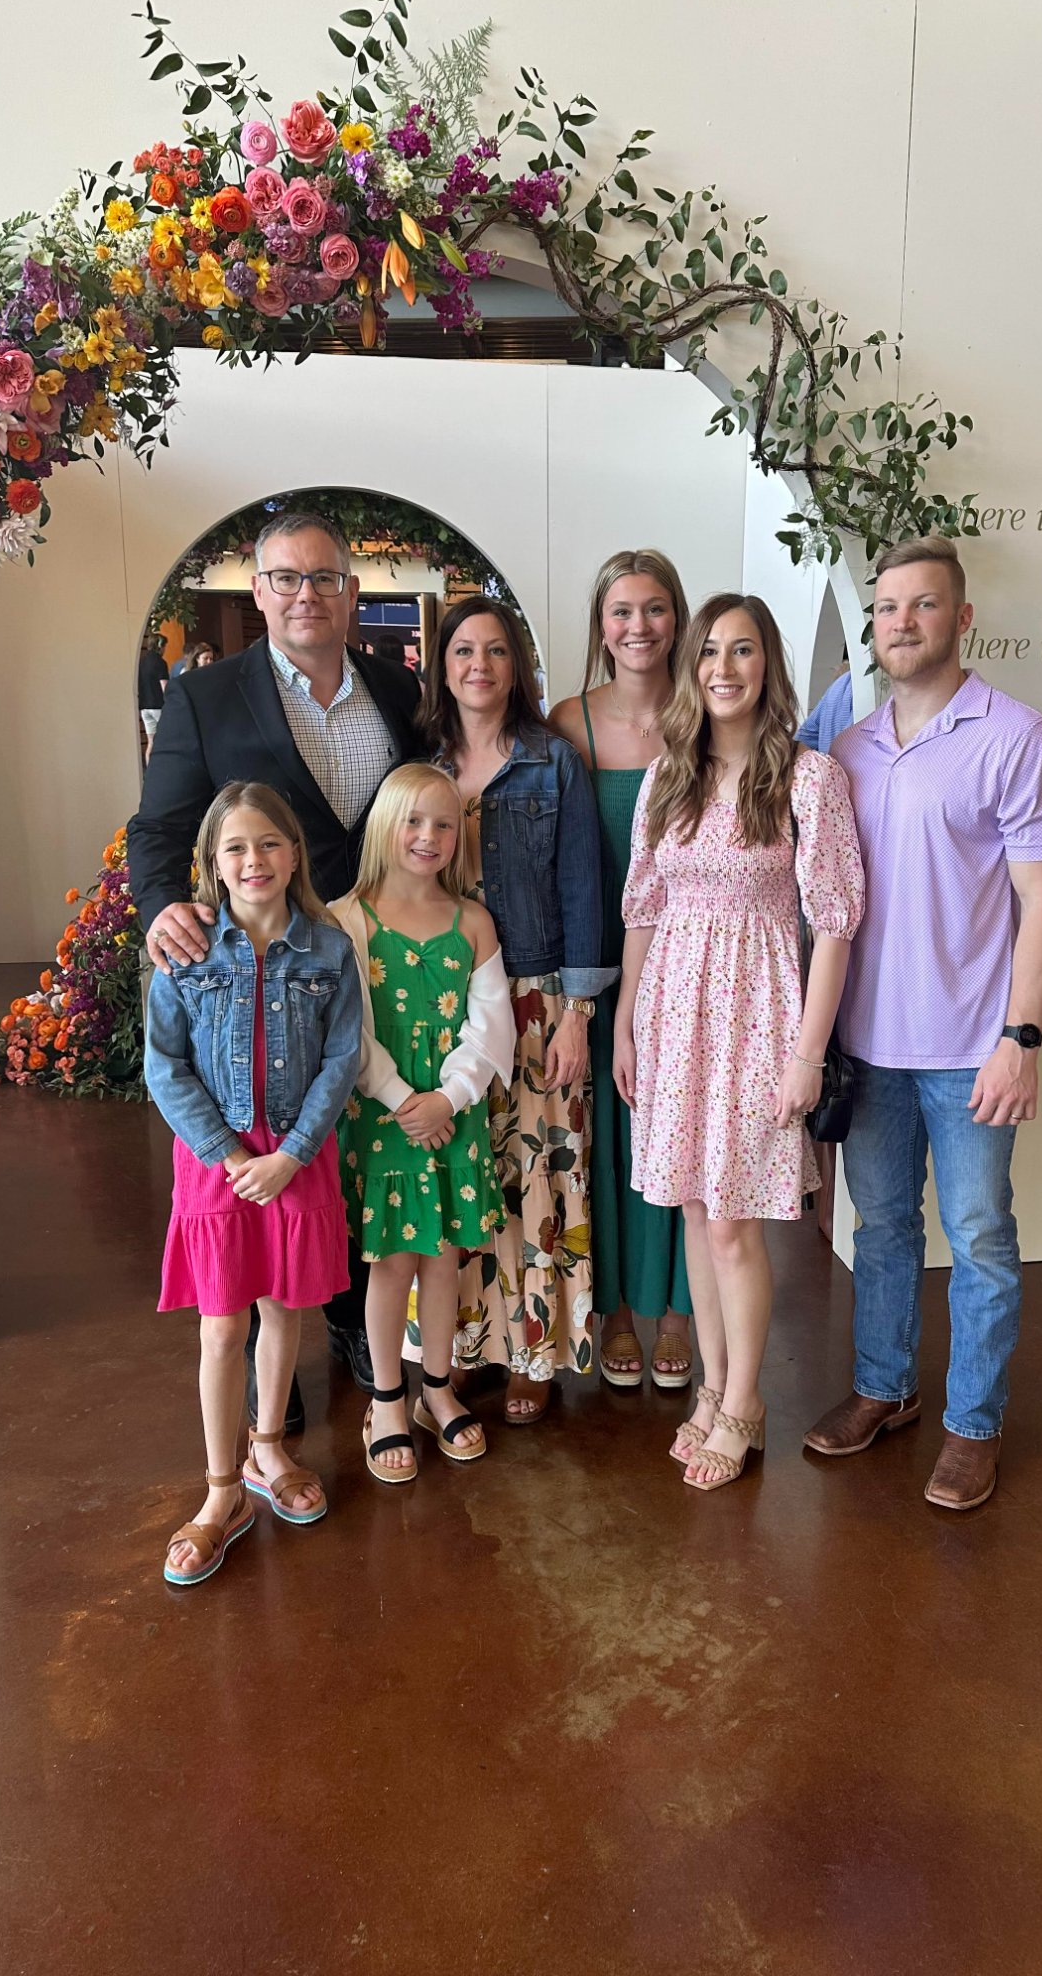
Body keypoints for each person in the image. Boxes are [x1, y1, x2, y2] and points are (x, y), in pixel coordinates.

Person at [129, 511, 426, 1417]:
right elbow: (160, 828)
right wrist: (160, 911)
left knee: (352, 1147)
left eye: (325, 578)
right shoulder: (207, 698)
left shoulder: (395, 690)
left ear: (352, 592)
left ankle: (338, 1312)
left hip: (366, 954)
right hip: (260, 955)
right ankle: (266, 1360)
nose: (308, 594)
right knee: (265, 1136)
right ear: (258, 593)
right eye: (287, 579)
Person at [803, 535, 1042, 1511]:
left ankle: (973, 1424)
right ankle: (886, 1386)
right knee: (880, 1227)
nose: (902, 623)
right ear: (871, 627)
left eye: (923, 605)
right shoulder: (846, 748)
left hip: (972, 1052)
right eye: (886, 609)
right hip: (868, 1048)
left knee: (978, 1238)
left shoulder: (1017, 735)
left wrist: (1023, 1035)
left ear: (962, 618)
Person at [615, 593, 864, 1491]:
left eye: (743, 650)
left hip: (757, 1013)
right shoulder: (666, 776)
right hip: (674, 1011)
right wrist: (628, 1024)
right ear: (691, 669)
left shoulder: (808, 779)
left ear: (769, 667)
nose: (724, 667)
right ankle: (716, 1389)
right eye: (709, 651)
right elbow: (644, 908)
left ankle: (747, 1401)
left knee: (732, 1224)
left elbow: (834, 924)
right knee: (690, 1207)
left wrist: (807, 1051)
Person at [144, 782, 362, 1585]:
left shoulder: (329, 949)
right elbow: (163, 1065)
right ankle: (221, 1489)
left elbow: (342, 1058)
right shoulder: (186, 952)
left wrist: (294, 1153)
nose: (253, 860)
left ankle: (270, 1448)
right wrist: (230, 1155)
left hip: (295, 1160)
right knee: (220, 1326)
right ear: (211, 864)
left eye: (268, 843)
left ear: (294, 853)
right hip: (218, 1164)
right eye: (235, 847)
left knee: (283, 1309)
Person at [422, 595, 608, 1423]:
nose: (480, 666)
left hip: (536, 1000)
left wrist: (576, 1013)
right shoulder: (418, 762)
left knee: (538, 1181)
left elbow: (581, 886)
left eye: (496, 651)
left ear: (518, 666)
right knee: (460, 1176)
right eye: (464, 650)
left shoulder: (550, 759)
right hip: (440, 1000)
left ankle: (534, 1349)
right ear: (443, 663)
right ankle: (461, 1350)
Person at [328, 764, 515, 1482]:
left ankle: (438, 1387)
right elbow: (352, 1030)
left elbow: (490, 1024)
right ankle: (386, 1399)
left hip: (453, 1117)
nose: (428, 837)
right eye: (413, 821)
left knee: (443, 1259)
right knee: (392, 1262)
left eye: (443, 824)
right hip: (384, 1120)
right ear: (385, 826)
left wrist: (451, 1097)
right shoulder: (349, 919)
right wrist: (406, 1100)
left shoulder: (472, 921)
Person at [551, 551, 695, 1393]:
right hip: (596, 962)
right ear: (601, 627)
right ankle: (613, 1313)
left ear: (676, 618)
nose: (637, 627)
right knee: (602, 1134)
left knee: (676, 1132)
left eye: (653, 609)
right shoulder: (572, 720)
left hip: (690, 965)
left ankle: (675, 1308)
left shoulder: (708, 709)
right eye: (621, 612)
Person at [137, 636, 168, 760]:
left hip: (144, 707)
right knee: (165, 739)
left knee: (151, 742)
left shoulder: (142, 662)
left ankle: (150, 771)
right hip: (158, 706)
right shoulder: (160, 662)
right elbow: (164, 685)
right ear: (160, 646)